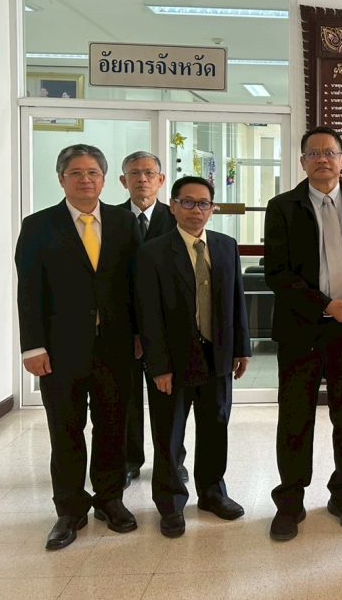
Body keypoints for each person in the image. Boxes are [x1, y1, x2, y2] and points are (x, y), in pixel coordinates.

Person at [15, 144, 141, 550]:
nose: (85, 179)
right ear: (61, 179)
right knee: (66, 430)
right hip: (60, 350)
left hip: (115, 347)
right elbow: (29, 291)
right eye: (76, 173)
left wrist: (141, 335)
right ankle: (69, 510)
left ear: (104, 180)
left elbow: (136, 285)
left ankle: (109, 499)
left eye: (93, 172)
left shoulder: (124, 222)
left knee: (112, 426)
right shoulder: (38, 226)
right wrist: (32, 347)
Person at [264, 126, 342, 541]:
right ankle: (290, 500)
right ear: (303, 162)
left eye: (330, 152)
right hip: (302, 329)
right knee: (295, 416)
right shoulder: (282, 207)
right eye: (313, 153)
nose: (322, 159)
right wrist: (324, 304)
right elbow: (277, 273)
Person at [135, 176, 251, 538]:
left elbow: (237, 300)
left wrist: (242, 348)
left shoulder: (225, 246)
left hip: (218, 355)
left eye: (203, 203)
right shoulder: (153, 252)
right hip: (173, 360)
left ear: (212, 209)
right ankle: (170, 503)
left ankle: (213, 493)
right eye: (187, 202)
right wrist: (158, 366)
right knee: (169, 433)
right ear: (173, 206)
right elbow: (148, 314)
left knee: (216, 426)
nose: (195, 210)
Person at [116, 151, 186, 489]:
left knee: (169, 401)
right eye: (134, 173)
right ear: (123, 181)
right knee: (127, 399)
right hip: (123, 329)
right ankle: (129, 460)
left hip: (167, 329)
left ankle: (172, 461)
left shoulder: (176, 218)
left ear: (161, 180)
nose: (142, 179)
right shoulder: (111, 220)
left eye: (148, 173)